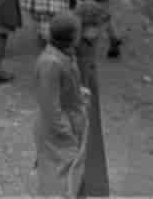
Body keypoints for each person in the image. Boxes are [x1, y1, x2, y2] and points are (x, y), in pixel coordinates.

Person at [33, 11, 89, 198]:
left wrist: (78, 93)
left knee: (71, 173)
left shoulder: (64, 55)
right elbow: (50, 106)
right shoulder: (51, 63)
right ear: (71, 37)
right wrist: (65, 133)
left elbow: (62, 89)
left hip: (70, 123)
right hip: (58, 129)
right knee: (60, 175)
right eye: (78, 32)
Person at [71, 0, 111, 197]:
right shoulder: (77, 50)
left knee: (86, 151)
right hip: (81, 108)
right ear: (88, 26)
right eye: (99, 27)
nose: (102, 33)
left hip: (87, 105)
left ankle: (83, 189)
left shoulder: (86, 45)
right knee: (80, 151)